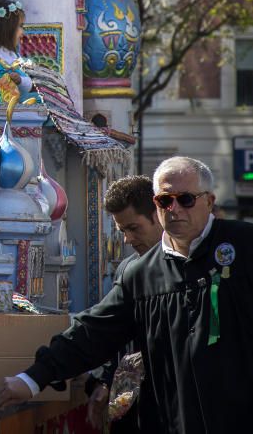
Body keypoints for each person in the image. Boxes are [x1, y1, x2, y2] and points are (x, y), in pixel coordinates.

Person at [0, 156, 253, 434]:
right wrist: (34, 378)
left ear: (209, 201)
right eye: (166, 201)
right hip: (174, 421)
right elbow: (94, 331)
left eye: (186, 199)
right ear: (157, 205)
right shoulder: (141, 273)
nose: (175, 209)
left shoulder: (245, 245)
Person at [85, 175, 162, 433]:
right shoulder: (129, 269)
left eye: (134, 228)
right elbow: (114, 333)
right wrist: (105, 381)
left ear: (158, 215)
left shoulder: (188, 267)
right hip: (132, 410)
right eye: (122, 231)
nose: (128, 240)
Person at [0, 0, 34, 102]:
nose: (22, 32)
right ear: (6, 28)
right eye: (20, 26)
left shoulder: (12, 54)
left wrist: (21, 80)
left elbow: (30, 82)